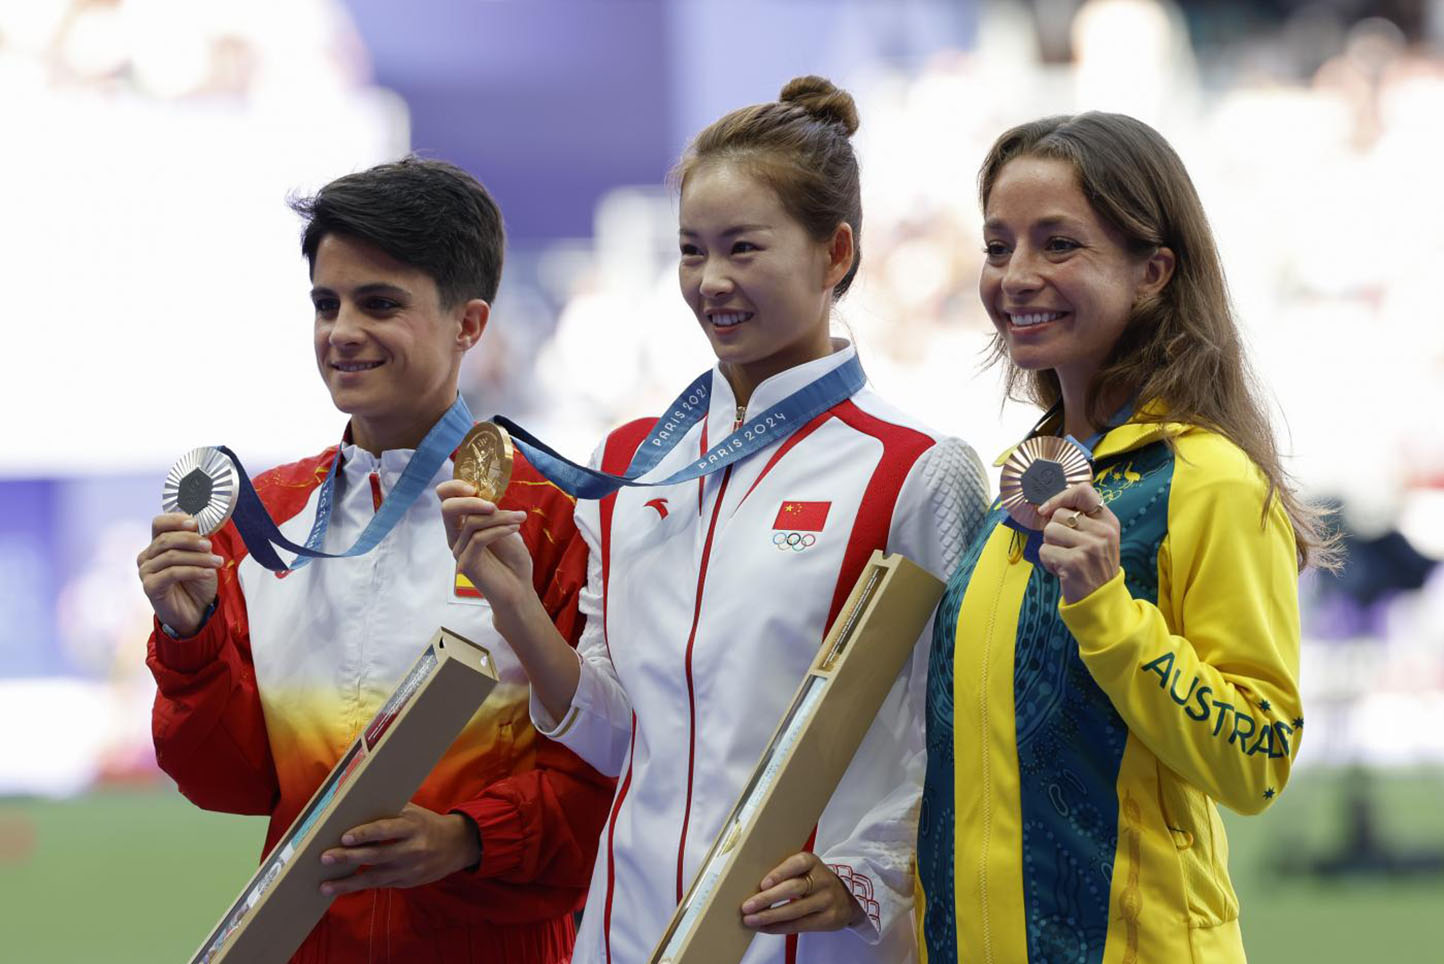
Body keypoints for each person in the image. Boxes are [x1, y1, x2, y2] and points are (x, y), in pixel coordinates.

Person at [439, 77, 990, 964]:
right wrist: (517, 607)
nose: (711, 281)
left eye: (743, 248)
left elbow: (959, 731)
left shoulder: (916, 471)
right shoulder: (629, 464)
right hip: (624, 933)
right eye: (691, 251)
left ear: (836, 253)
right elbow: (617, 734)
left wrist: (868, 875)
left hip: (807, 940)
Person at [135, 157, 612, 964]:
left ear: (468, 324)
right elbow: (229, 783)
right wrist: (191, 643)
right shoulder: (261, 521)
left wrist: (467, 837)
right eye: (326, 303)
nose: (341, 331)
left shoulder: (554, 518)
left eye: (380, 303)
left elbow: (606, 772)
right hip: (300, 943)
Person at [917, 113, 1333, 963]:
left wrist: (1108, 611)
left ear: (1153, 271)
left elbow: (1257, 761)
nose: (1016, 276)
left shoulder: (1210, 479)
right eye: (998, 247)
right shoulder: (1022, 483)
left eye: (1059, 244)